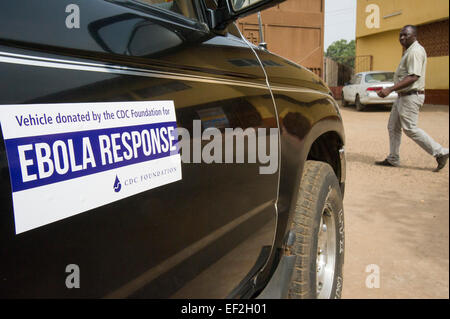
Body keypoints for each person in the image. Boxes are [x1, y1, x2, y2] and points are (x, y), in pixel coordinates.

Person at [375, 25, 449, 172]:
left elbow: (413, 77)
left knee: (410, 129)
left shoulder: (415, 51)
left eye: (405, 35)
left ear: (414, 35)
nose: (402, 38)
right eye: (400, 35)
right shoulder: (409, 51)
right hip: (403, 96)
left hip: (410, 96)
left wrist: (390, 89)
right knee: (393, 126)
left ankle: (440, 152)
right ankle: (393, 158)